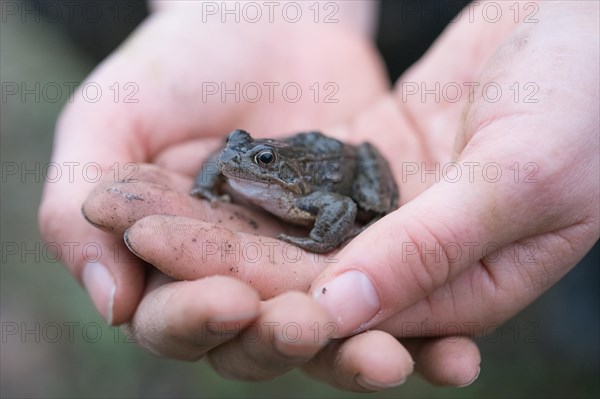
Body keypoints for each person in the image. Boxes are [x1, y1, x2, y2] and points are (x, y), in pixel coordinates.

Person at [39, 0, 599, 391]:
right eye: (238, 154)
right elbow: (224, 156)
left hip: (343, 161)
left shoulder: (305, 196)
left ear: (273, 171)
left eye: (253, 161)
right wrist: (207, 185)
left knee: (397, 208)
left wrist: (316, 244)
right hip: (310, 126)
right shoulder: (240, 162)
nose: (234, 162)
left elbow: (340, 207)